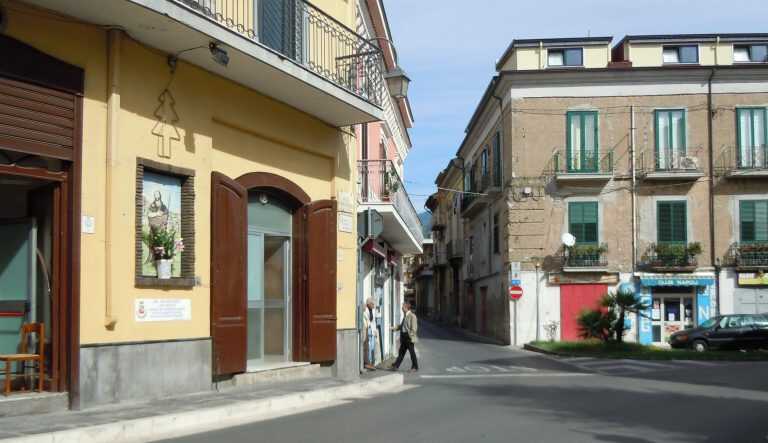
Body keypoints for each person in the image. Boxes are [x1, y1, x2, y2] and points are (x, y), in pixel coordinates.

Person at [389, 301, 419, 372]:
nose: (402, 308)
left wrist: (409, 336)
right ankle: (396, 366)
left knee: (412, 353)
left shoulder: (412, 316)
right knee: (401, 352)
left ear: (406, 307)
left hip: (408, 338)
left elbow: (414, 328)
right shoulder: (405, 316)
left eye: (403, 307)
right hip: (404, 337)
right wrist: (393, 328)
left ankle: (415, 367)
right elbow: (402, 326)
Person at [362, 297, 379, 370]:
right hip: (366, 329)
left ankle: (371, 362)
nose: (373, 306)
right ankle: (367, 363)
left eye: (374, 304)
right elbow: (366, 321)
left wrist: (375, 330)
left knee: (372, 347)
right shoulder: (365, 309)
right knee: (367, 347)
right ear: (368, 304)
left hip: (371, 330)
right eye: (372, 304)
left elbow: (373, 321)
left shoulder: (372, 310)